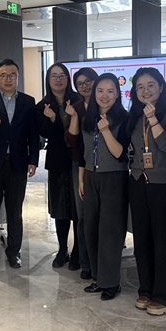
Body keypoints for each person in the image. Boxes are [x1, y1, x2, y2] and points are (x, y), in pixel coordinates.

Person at [126, 67, 166, 315]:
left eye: (150, 85)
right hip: (138, 179)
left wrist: (153, 120)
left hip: (164, 183)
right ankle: (146, 289)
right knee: (142, 239)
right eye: (140, 86)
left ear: (161, 87)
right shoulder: (134, 114)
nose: (145, 90)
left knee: (163, 240)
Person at [68, 73, 130, 301]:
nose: (105, 95)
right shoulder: (89, 118)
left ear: (118, 94)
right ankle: (98, 277)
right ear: (94, 94)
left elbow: (120, 154)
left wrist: (105, 131)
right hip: (91, 176)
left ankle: (111, 282)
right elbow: (83, 151)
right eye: (100, 91)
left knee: (110, 231)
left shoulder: (124, 119)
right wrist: (81, 179)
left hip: (114, 177)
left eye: (110, 91)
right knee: (91, 228)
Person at [0, 59, 39, 270]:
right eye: (4, 75)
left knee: (15, 212)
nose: (8, 79)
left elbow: (33, 133)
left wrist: (33, 160)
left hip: (18, 164)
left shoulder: (28, 101)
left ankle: (14, 252)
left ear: (18, 77)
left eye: (12, 75)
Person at [36, 62, 80, 269]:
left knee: (78, 207)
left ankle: (78, 250)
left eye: (62, 75)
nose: (58, 79)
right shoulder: (42, 105)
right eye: (54, 76)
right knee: (60, 207)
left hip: (77, 159)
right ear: (48, 79)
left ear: (67, 78)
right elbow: (44, 134)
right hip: (56, 161)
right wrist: (52, 120)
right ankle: (63, 250)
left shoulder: (78, 100)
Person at [64, 67, 99, 280]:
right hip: (81, 166)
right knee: (84, 216)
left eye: (88, 81)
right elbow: (72, 141)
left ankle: (102, 264)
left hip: (105, 167)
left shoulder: (107, 103)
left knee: (102, 217)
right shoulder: (75, 107)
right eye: (80, 83)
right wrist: (74, 117)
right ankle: (86, 264)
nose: (84, 86)